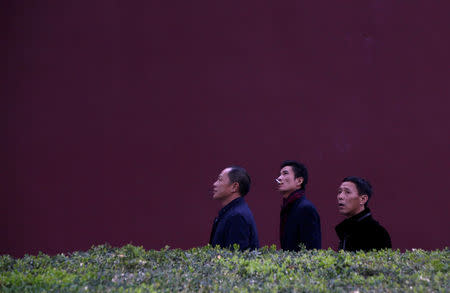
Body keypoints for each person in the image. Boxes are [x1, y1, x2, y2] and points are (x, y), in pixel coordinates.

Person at [335, 176, 392, 251]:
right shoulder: (347, 230)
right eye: (339, 192)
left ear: (363, 199)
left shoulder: (376, 233)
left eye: (347, 192)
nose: (340, 196)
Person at [209, 166, 259, 250]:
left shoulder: (237, 217)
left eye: (220, 179)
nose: (214, 184)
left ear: (234, 187)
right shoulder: (231, 213)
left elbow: (235, 260)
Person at [276, 160, 321, 251]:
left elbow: (312, 251)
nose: (279, 178)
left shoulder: (306, 209)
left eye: (285, 174)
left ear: (299, 181)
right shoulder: (289, 207)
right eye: (280, 174)